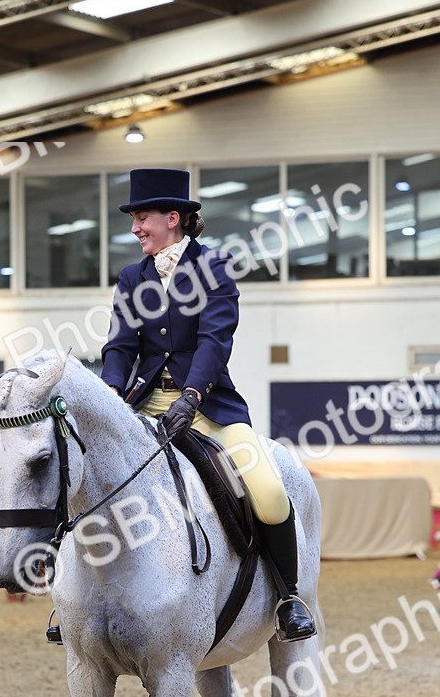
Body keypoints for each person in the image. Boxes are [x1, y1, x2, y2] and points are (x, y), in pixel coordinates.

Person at [101, 167, 315, 641]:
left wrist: (193, 394)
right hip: (149, 403)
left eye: (142, 218)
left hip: (210, 405)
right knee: (95, 478)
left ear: (172, 218)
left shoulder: (213, 267)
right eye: (134, 219)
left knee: (268, 489)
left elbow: (215, 340)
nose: (135, 228)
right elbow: (119, 346)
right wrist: (111, 396)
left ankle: (288, 597)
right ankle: (81, 603)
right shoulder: (132, 276)